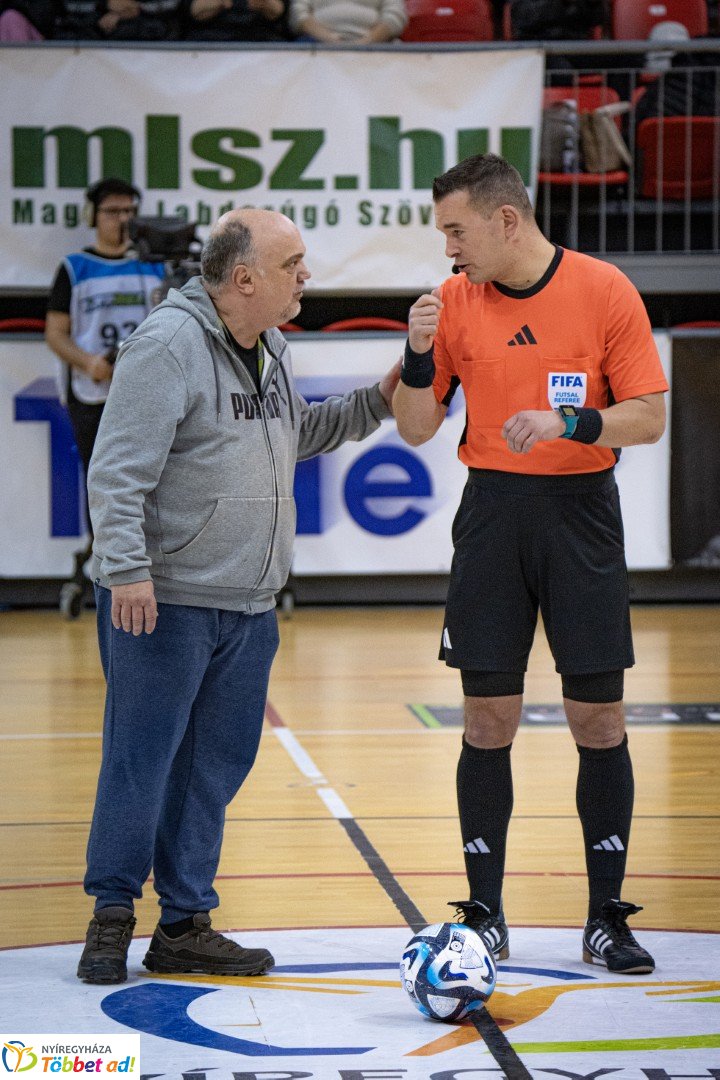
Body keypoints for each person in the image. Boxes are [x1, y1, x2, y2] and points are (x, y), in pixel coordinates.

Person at [77, 208, 399, 985]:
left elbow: (298, 434)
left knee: (211, 769)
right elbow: (117, 471)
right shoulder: (166, 346)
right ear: (244, 278)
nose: (306, 276)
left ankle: (184, 924)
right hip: (165, 603)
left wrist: (382, 399)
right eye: (293, 263)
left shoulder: (274, 348)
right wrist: (126, 570)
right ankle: (110, 918)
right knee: (139, 762)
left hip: (249, 606)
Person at [393, 154, 668, 975]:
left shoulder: (604, 289)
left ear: (505, 220)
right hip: (491, 520)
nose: (448, 247)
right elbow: (414, 427)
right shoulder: (450, 302)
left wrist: (570, 424)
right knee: (487, 722)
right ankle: (485, 915)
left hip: (582, 518)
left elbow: (649, 417)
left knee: (600, 722)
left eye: (456, 229)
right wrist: (415, 355)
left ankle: (605, 919)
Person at [289, 0, 406, 44]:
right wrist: (328, 38)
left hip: (376, 44)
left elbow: (396, 15)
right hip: (317, 42)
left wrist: (367, 42)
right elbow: (298, 14)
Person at [182, 0, 287, 42]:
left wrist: (263, 3)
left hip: (260, 39)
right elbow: (195, 11)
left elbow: (278, 11)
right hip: (210, 39)